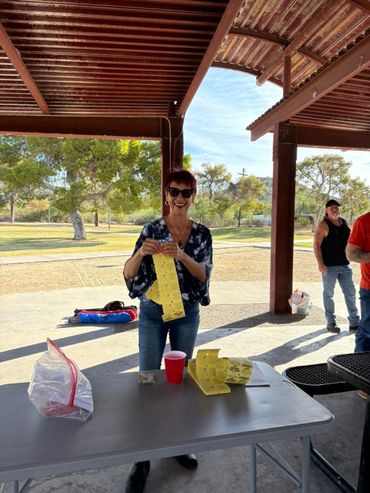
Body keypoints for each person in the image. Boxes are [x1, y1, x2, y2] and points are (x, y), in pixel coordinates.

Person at [123, 169, 213, 493]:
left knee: (180, 380)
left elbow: (203, 275)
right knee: (148, 378)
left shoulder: (202, 234)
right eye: (174, 191)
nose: (179, 198)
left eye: (185, 193)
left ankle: (178, 442)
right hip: (151, 312)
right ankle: (142, 458)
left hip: (186, 313)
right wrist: (140, 253)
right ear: (166, 195)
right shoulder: (151, 229)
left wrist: (181, 254)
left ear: (193, 196)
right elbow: (128, 272)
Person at [313, 199, 359, 333]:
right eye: (332, 207)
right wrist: (320, 264)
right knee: (329, 295)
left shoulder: (343, 222)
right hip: (329, 267)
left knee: (350, 294)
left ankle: (354, 323)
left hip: (345, 266)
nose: (335, 209)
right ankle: (331, 322)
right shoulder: (323, 225)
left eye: (337, 207)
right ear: (327, 210)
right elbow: (316, 245)